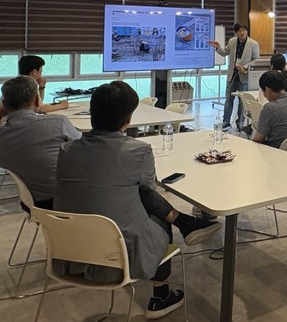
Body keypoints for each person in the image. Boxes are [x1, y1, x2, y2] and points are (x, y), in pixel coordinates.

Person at [55, 81, 222, 319]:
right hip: (116, 253)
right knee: (156, 218)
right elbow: (148, 187)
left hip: (69, 248)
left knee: (129, 192)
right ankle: (161, 295)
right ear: (127, 119)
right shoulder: (137, 151)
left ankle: (186, 223)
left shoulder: (67, 150)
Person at [0, 76, 80, 208]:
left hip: (33, 206)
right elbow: (88, 151)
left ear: (5, 104)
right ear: (37, 100)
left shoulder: (2, 137)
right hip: (72, 202)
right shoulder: (58, 123)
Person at [208, 23, 260, 129]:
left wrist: (244, 67)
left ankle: (240, 122)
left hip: (243, 77)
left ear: (247, 31)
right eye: (239, 31)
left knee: (242, 102)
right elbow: (225, 52)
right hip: (232, 76)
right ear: (236, 32)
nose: (242, 32)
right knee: (228, 100)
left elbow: (256, 60)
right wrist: (218, 48)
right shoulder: (232, 41)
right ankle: (226, 121)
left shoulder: (253, 44)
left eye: (244, 30)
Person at [252, 70, 287, 148]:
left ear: (268, 90)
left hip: (276, 151)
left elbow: (258, 139)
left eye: (263, 92)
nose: (264, 95)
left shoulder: (270, 108)